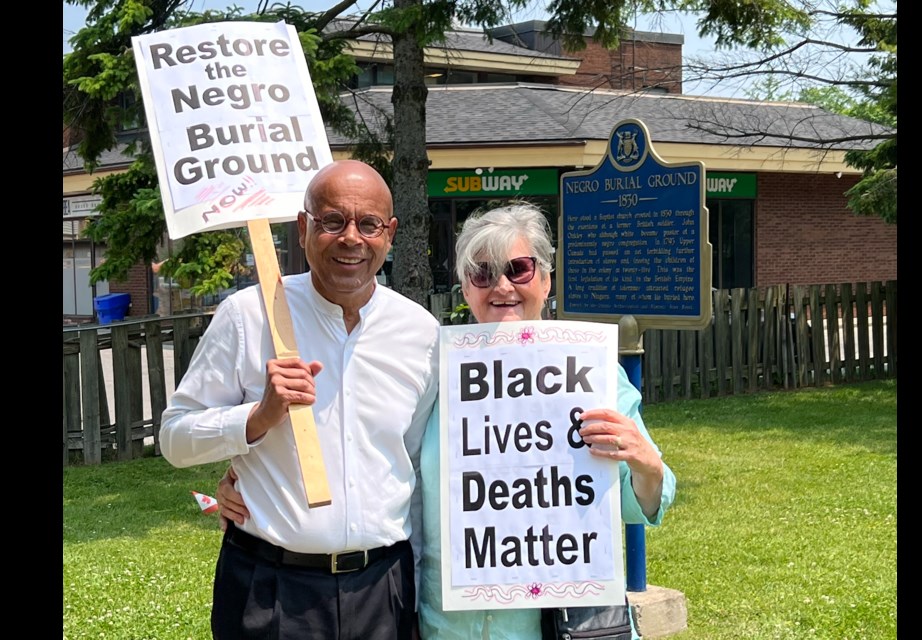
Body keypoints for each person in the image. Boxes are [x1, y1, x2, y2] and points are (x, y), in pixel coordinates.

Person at [217, 202, 676, 640]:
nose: (502, 287)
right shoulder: (437, 367)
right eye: (482, 273)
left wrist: (645, 463)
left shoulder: (590, 373)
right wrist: (260, 480)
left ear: (546, 280)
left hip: (562, 622)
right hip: (448, 623)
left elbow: (639, 503)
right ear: (465, 286)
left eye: (518, 269)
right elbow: (379, 459)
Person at [159, 159, 440, 640]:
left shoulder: (420, 333)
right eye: (333, 221)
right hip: (271, 591)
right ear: (304, 227)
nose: (351, 238)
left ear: (390, 234)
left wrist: (415, 593)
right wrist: (257, 417)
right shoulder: (249, 315)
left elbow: (412, 466)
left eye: (368, 224)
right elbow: (174, 438)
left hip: (383, 589)